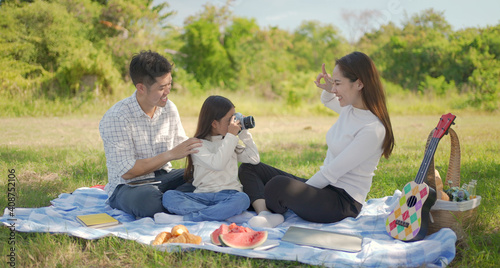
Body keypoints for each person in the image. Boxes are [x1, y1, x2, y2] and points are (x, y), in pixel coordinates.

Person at [239, 51, 395, 224]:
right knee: (250, 168)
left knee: (278, 186)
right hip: (325, 189)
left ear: (358, 84)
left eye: (338, 83)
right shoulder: (350, 109)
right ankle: (266, 214)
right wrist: (330, 89)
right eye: (333, 83)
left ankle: (268, 204)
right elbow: (328, 101)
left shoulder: (372, 129)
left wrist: (299, 192)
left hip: (342, 203)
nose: (334, 89)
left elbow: (330, 173)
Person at [99, 50, 202, 218]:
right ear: (141, 88)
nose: (168, 90)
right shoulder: (117, 117)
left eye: (169, 84)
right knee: (148, 202)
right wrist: (170, 155)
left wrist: (215, 144)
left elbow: (182, 145)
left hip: (165, 178)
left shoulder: (169, 108)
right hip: (129, 186)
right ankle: (181, 201)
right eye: (161, 87)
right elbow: (128, 172)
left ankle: (174, 201)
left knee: (203, 177)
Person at [158, 95, 259, 223]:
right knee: (169, 197)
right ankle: (225, 214)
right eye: (230, 120)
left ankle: (186, 218)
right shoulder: (198, 145)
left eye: (235, 118)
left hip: (229, 195)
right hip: (201, 196)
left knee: (243, 199)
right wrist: (231, 136)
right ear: (214, 123)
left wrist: (243, 132)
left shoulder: (229, 141)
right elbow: (217, 163)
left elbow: (254, 158)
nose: (234, 123)